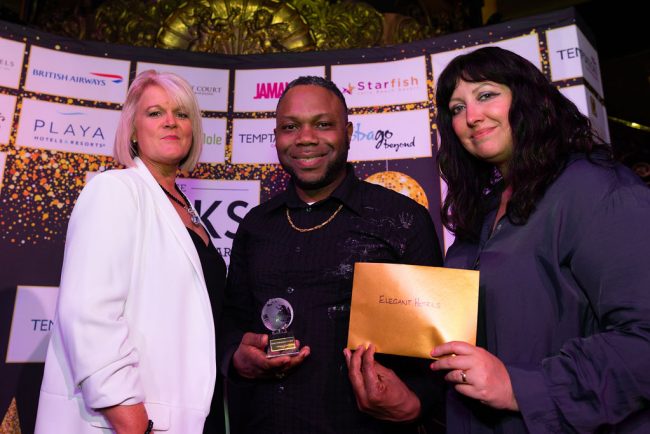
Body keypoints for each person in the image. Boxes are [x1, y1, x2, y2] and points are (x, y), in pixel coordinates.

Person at [428, 46, 650, 432]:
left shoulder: (597, 188)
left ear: (528, 98)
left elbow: (643, 338)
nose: (471, 117)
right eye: (457, 108)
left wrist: (520, 388)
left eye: (486, 95)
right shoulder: (482, 211)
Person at [218, 75, 445, 434]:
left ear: (348, 133)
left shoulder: (402, 220)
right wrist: (236, 357)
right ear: (276, 137)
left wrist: (418, 401)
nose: (305, 138)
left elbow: (438, 344)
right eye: (290, 127)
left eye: (323, 124)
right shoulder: (256, 225)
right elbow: (232, 320)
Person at [35, 70, 227, 433]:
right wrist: (132, 421)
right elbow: (89, 313)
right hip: (137, 420)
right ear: (133, 130)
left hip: (192, 412)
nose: (170, 121)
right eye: (155, 113)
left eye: (182, 113)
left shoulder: (184, 207)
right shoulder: (115, 190)